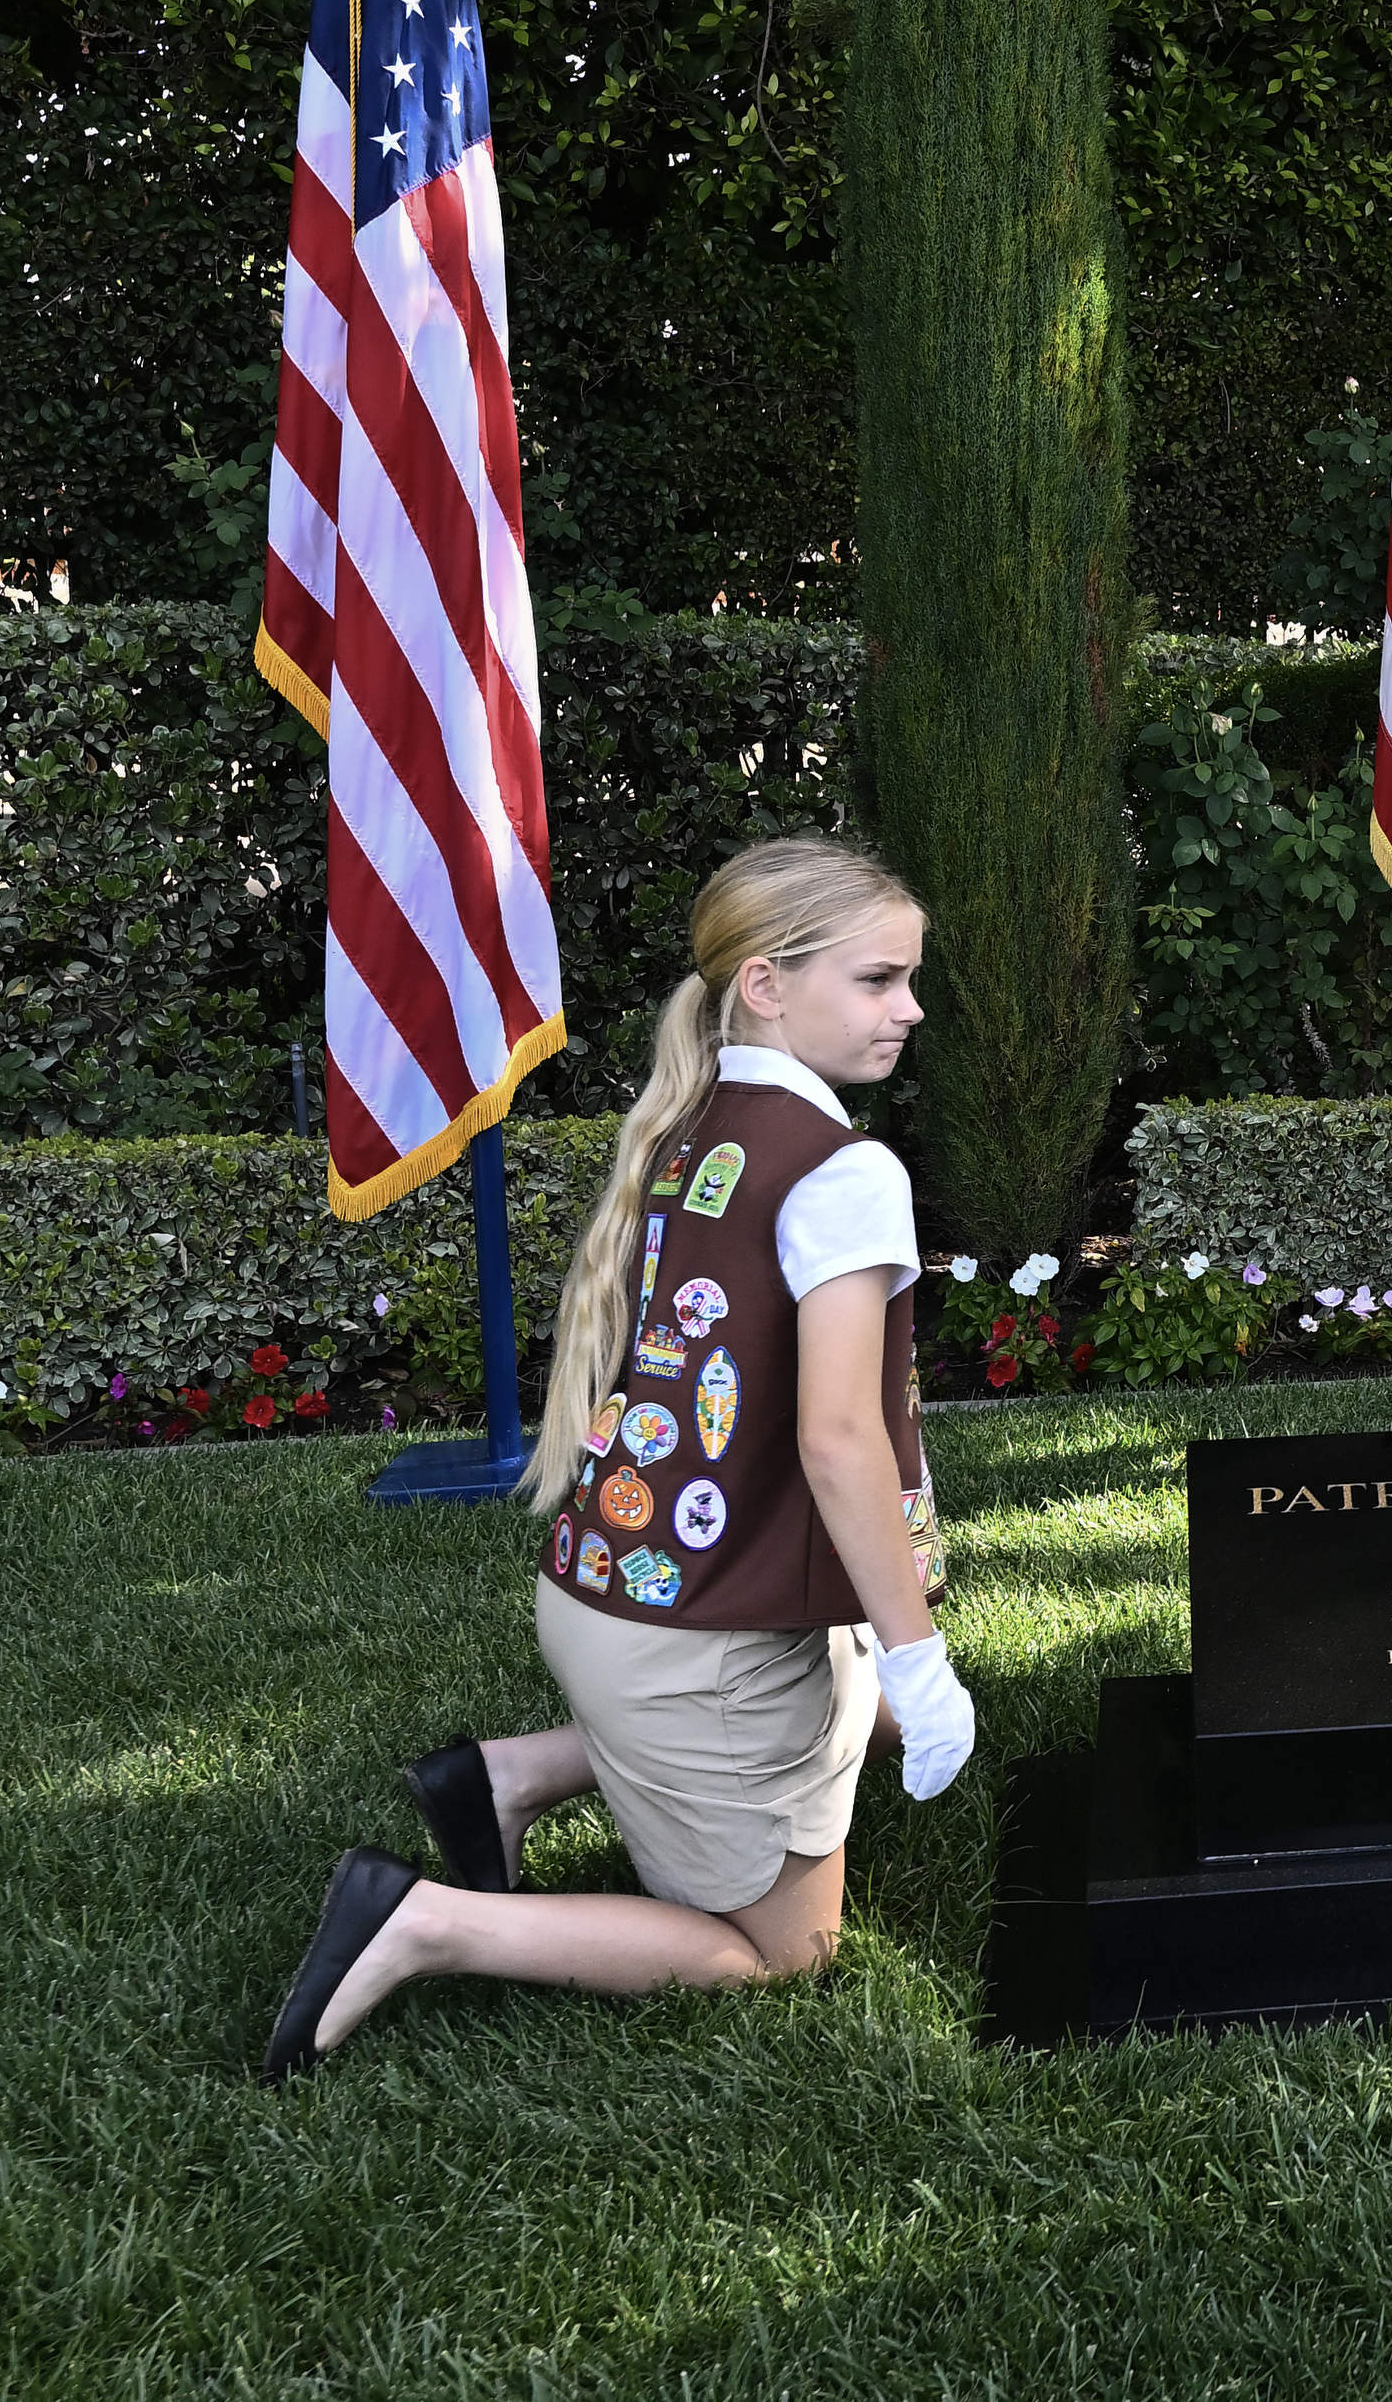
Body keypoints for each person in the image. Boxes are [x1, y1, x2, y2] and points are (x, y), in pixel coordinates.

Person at [262, 839, 980, 2081]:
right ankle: (426, 1921)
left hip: (611, 1594)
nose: (909, 1008)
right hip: (696, 1650)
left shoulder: (693, 1121)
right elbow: (839, 1436)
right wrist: (920, 1660)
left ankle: (506, 1777)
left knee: (842, 1682)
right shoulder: (846, 1168)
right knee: (780, 1954)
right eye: (878, 980)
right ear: (765, 982)